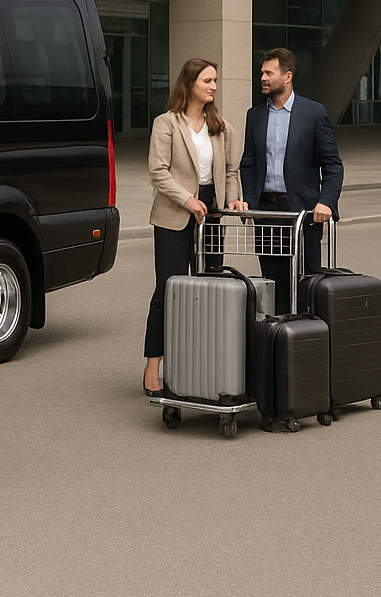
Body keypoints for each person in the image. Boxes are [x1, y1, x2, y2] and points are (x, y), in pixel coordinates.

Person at [143, 58, 245, 395]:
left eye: (215, 80)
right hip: (175, 213)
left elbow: (231, 170)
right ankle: (153, 364)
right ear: (189, 84)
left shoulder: (221, 127)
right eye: (207, 81)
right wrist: (187, 199)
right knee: (169, 289)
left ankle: (204, 365)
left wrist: (232, 201)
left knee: (210, 290)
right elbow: (158, 172)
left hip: (212, 214)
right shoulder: (166, 123)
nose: (214, 86)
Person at [240, 47, 343, 312]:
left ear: (287, 76)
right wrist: (250, 204)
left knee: (306, 283)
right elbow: (248, 163)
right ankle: (280, 340)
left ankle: (308, 341)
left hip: (303, 213)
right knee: (274, 284)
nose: (262, 77)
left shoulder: (314, 113)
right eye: (261, 72)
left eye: (268, 72)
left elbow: (333, 166)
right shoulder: (255, 116)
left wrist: (326, 202)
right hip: (267, 212)